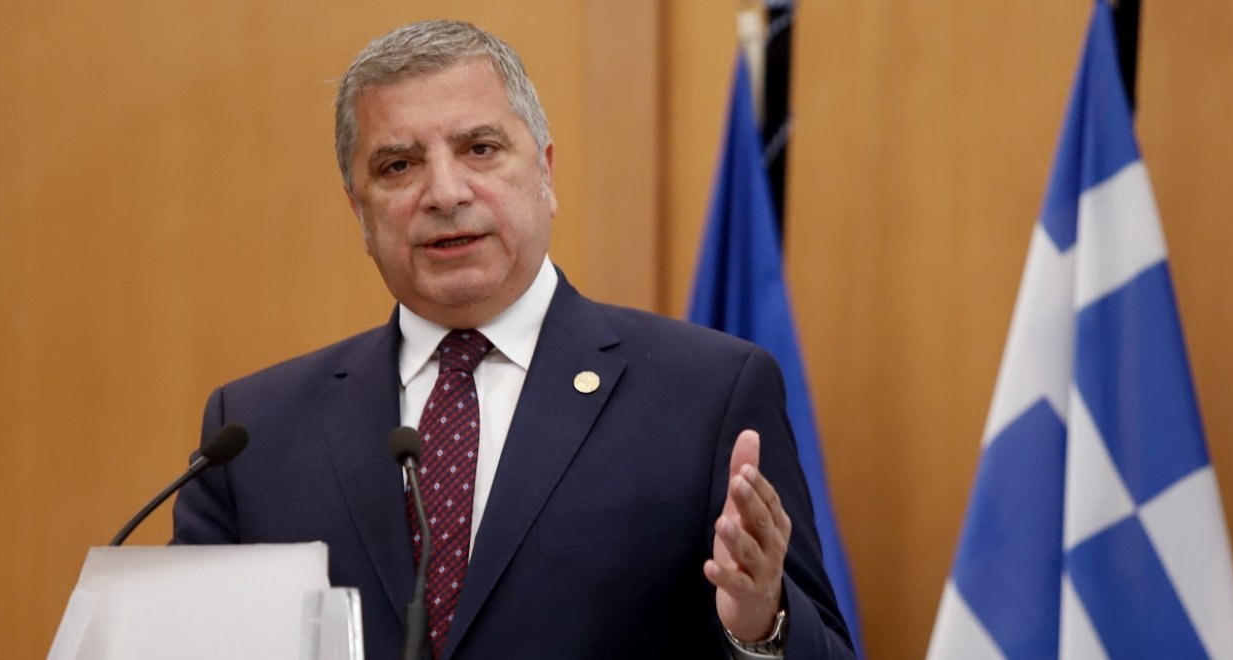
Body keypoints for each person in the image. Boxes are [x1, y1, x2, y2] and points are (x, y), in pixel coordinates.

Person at [172, 19, 855, 660]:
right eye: (398, 166)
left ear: (545, 174)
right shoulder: (253, 434)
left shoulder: (706, 395)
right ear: (359, 211)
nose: (444, 193)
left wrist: (762, 625)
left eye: (480, 149)